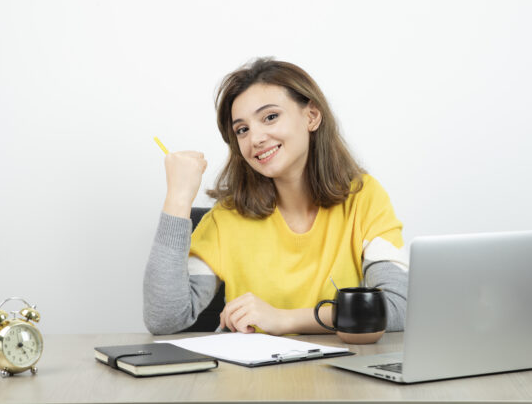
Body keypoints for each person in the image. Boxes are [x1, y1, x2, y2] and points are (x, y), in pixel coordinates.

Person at [143, 57, 408, 336]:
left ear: (312, 116)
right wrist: (178, 197)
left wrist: (286, 319)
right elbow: (165, 318)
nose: (255, 138)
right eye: (242, 130)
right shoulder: (227, 219)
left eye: (270, 117)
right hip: (248, 378)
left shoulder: (364, 198)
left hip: (338, 376)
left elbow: (398, 307)